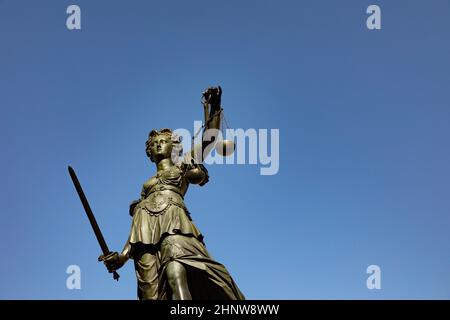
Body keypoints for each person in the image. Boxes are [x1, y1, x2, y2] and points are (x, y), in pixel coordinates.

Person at [100, 87, 245, 300]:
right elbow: (139, 228)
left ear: (172, 145)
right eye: (154, 143)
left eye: (163, 141)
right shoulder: (145, 189)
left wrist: (214, 105)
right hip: (145, 243)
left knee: (175, 270)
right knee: (152, 295)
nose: (159, 144)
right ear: (150, 151)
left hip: (175, 227)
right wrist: (122, 257)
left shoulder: (183, 166)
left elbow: (210, 137)